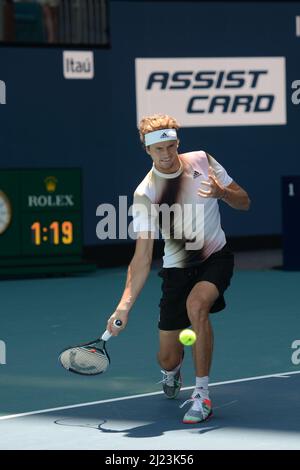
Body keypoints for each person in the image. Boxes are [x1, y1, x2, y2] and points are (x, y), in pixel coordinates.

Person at [106, 114, 250, 424]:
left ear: (177, 144)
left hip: (216, 258)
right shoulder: (145, 194)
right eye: (160, 150)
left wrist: (223, 193)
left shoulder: (202, 160)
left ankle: (202, 394)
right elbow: (142, 258)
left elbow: (245, 201)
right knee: (167, 356)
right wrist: (124, 306)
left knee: (197, 305)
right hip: (176, 271)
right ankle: (172, 371)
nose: (167, 154)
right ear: (148, 151)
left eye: (172, 147)